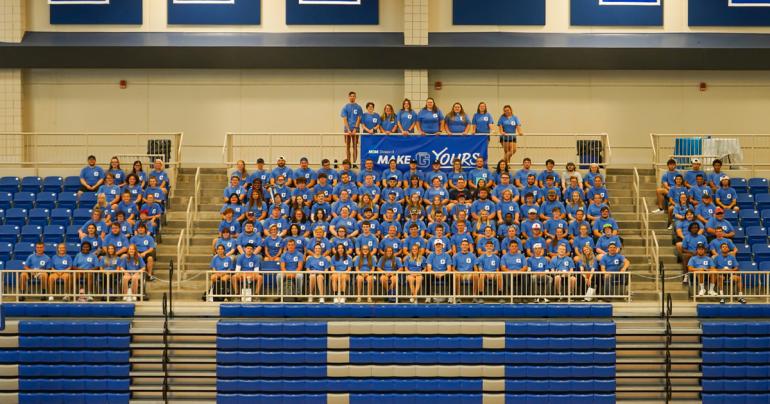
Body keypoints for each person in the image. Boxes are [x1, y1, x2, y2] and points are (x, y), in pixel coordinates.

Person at [341, 91, 363, 163]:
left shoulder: (358, 107)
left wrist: (355, 129)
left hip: (355, 130)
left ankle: (354, 163)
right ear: (349, 97)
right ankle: (348, 162)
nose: (352, 97)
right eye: (351, 96)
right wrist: (348, 129)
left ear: (355, 97)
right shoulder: (345, 107)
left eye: (354, 96)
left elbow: (359, 118)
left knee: (355, 146)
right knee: (347, 146)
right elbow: (344, 119)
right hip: (347, 130)